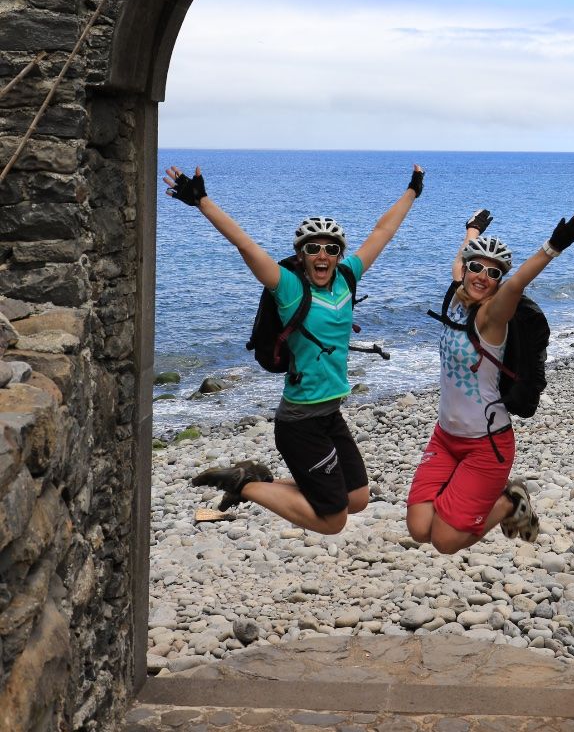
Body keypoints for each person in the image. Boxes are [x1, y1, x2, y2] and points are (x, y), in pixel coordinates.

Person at [163, 162, 424, 535]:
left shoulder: (347, 278)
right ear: (300, 255)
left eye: (331, 249)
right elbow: (245, 243)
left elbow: (384, 231)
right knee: (333, 520)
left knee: (357, 498)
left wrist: (413, 190)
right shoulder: (288, 287)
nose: (323, 255)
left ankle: (249, 477)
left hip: (330, 413)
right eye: (313, 248)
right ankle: (246, 485)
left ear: (338, 255)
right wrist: (203, 202)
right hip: (300, 422)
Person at [406, 205, 574, 555]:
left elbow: (518, 282)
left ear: (497, 281)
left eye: (492, 273)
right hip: (445, 436)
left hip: (486, 445)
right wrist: (472, 229)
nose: (481, 276)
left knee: (444, 541)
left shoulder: (492, 316)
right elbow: (463, 257)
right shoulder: (456, 301)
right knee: (418, 528)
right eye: (475, 268)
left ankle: (510, 503)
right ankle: (471, 499)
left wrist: (553, 247)